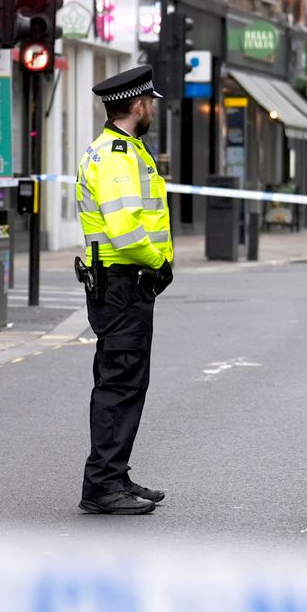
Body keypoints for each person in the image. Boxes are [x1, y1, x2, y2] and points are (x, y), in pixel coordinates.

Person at [74, 65, 174, 515]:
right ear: (138, 105)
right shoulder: (116, 157)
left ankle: (114, 474)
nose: (151, 108)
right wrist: (159, 262)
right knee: (119, 383)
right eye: (149, 102)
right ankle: (100, 487)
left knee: (126, 382)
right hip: (123, 283)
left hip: (122, 283)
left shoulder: (123, 149)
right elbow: (125, 229)